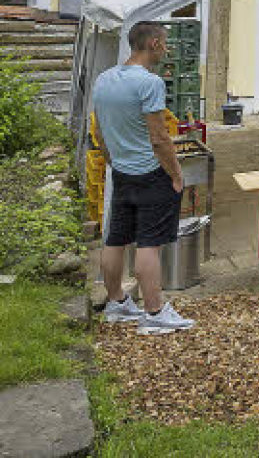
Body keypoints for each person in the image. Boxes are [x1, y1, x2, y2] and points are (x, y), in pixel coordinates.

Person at [97, 22, 194, 334]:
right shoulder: (150, 83)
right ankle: (153, 313)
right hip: (151, 173)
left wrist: (114, 162)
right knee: (149, 244)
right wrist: (176, 174)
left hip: (122, 171)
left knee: (116, 239)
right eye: (164, 44)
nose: (166, 50)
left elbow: (99, 132)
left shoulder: (104, 79)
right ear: (153, 43)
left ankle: (116, 303)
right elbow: (159, 137)